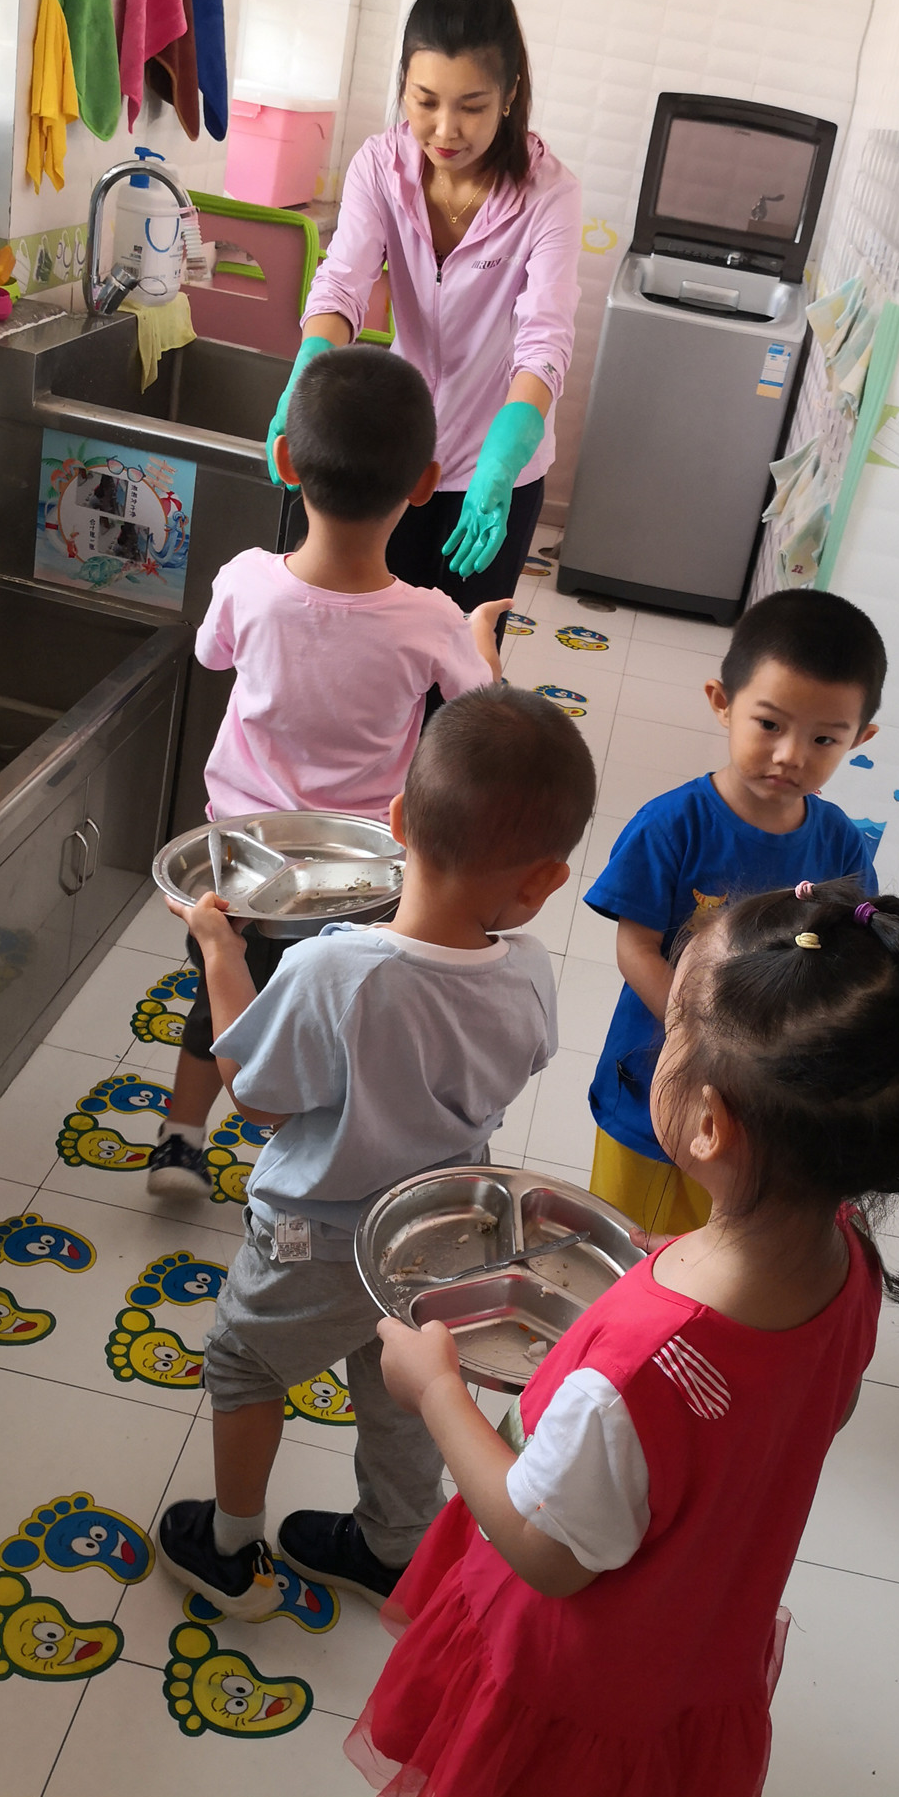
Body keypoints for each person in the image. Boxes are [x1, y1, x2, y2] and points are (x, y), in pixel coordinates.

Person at [348, 878, 899, 1797]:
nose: (658, 1047)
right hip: (690, 1649)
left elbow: (545, 1555)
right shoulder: (849, 1261)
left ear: (710, 1126)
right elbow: (810, 1407)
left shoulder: (631, 1378)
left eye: (670, 1032)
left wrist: (437, 1392)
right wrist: (665, 1265)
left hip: (562, 1683)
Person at [155, 685, 598, 1613]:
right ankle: (393, 1548)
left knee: (243, 1364)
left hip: (315, 1237)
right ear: (543, 881)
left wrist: (221, 953)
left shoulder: (332, 970)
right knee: (405, 1387)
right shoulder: (528, 973)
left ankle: (229, 1550)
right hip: (441, 1231)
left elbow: (257, 1098)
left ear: (394, 822)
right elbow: (524, 1060)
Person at [145, 347, 510, 1201]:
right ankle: (310, 1163)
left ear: (284, 460)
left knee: (221, 994)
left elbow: (211, 655)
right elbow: (482, 709)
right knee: (333, 1018)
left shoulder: (247, 581)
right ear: (424, 484)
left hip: (236, 859)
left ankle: (179, 1140)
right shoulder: (430, 619)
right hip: (361, 872)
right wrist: (480, 638)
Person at [263, 0, 583, 615]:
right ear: (403, 85)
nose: (444, 129)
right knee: (367, 640)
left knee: (463, 656)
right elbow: (343, 282)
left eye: (472, 106)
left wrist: (502, 458)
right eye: (425, 100)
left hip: (499, 464)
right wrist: (306, 373)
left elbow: (544, 338)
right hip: (395, 457)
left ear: (510, 95)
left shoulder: (549, 195)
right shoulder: (380, 167)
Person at [585, 589, 888, 1238]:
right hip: (652, 1087)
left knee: (711, 1251)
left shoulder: (840, 844)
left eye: (824, 738)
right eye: (770, 725)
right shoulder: (671, 826)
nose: (791, 755)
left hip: (760, 1111)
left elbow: (846, 952)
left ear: (859, 739)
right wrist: (703, 1035)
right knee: (621, 1245)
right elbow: (635, 948)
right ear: (722, 702)